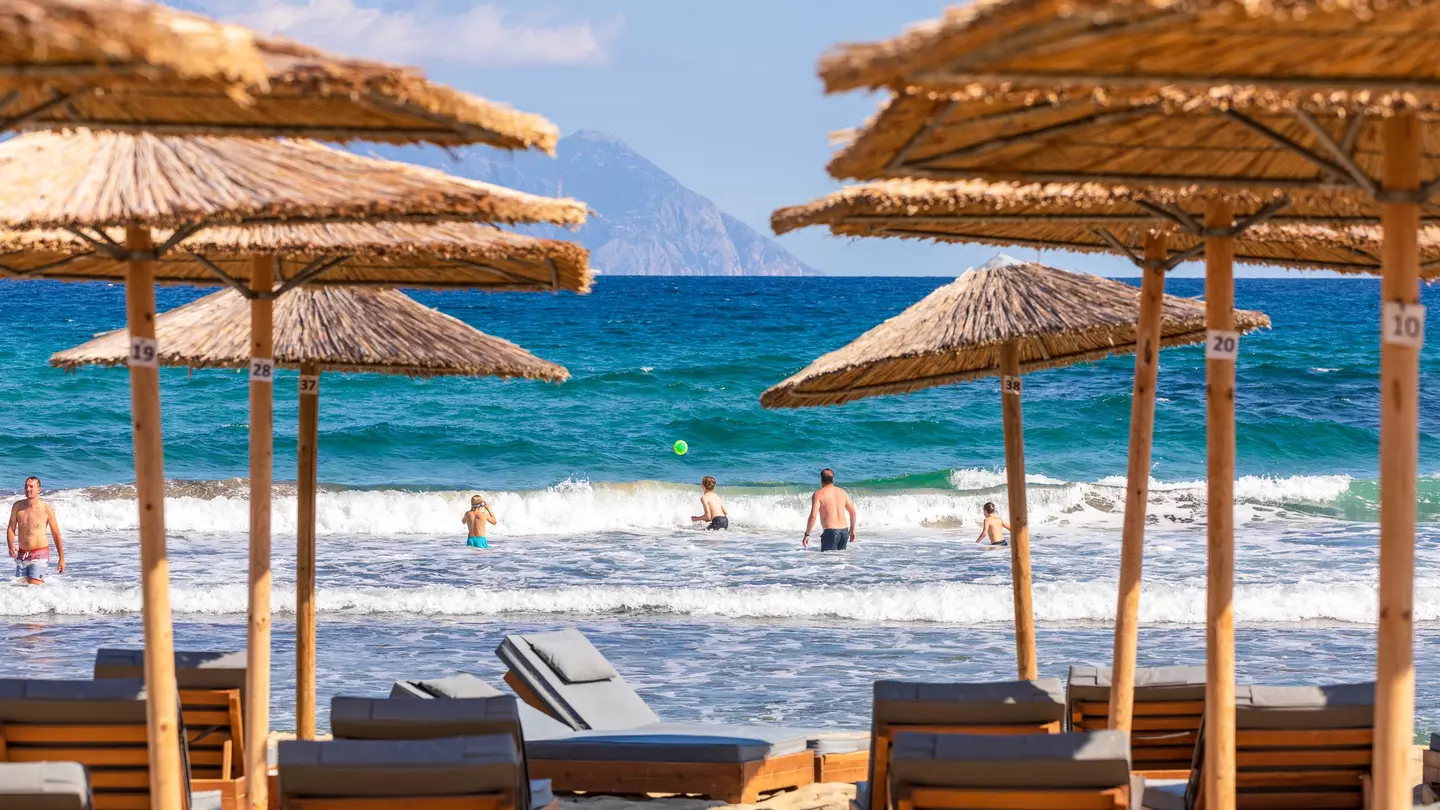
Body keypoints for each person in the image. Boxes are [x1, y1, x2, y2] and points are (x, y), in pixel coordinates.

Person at [8, 476, 65, 585]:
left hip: (40, 554)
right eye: (26, 486)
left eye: (31, 486)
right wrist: (10, 545)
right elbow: (11, 528)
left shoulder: (46, 509)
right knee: (20, 589)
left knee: (34, 587)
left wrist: (61, 558)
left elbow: (56, 534)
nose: (28, 489)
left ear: (39, 490)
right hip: (22, 555)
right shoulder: (17, 506)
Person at [803, 468, 857, 551]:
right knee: (840, 562)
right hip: (844, 532)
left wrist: (807, 534)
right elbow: (852, 512)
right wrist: (852, 530)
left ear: (821, 479)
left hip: (831, 533)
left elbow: (813, 516)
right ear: (833, 479)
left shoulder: (818, 494)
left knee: (828, 562)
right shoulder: (842, 492)